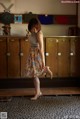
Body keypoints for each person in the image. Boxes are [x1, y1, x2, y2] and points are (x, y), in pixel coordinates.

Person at [25, 18, 53, 100]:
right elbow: (30, 39)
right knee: (33, 74)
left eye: (35, 27)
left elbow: (41, 48)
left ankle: (38, 93)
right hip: (32, 54)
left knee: (34, 74)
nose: (34, 29)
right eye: (32, 27)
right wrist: (28, 36)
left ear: (37, 26)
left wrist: (43, 62)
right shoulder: (32, 33)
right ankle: (45, 69)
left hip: (37, 55)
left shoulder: (39, 34)